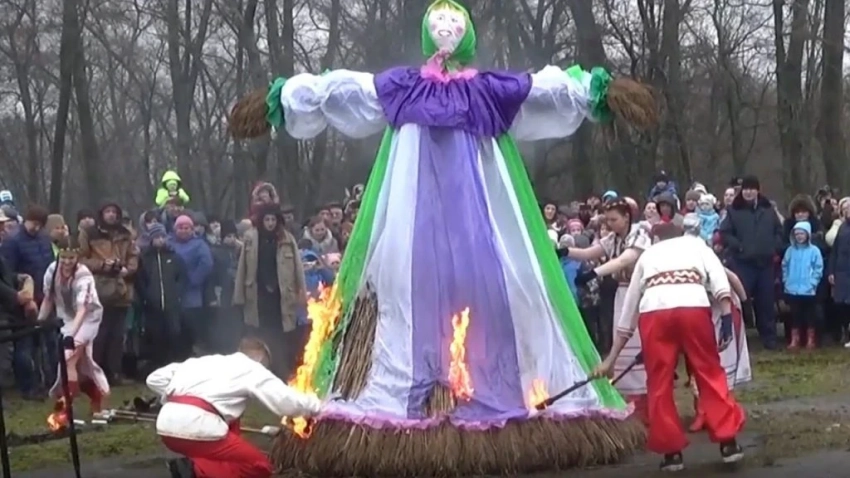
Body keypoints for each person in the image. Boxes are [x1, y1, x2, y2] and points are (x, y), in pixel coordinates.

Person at [593, 222, 746, 471]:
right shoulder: (696, 245)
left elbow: (629, 307)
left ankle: (671, 452)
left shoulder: (647, 256)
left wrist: (611, 359)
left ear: (655, 240)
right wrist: (727, 315)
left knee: (659, 381)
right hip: (692, 306)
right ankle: (728, 441)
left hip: (654, 313)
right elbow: (718, 277)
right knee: (708, 372)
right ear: (681, 234)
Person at [146, 337, 322, 478]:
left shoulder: (205, 361)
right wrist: (317, 406)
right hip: (198, 427)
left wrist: (175, 395)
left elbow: (154, 379)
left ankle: (195, 467)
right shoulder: (250, 368)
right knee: (259, 466)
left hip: (166, 426)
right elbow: (285, 402)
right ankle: (193, 470)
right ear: (260, 359)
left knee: (225, 453)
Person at [565, 198, 651, 419]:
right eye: (608, 220)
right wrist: (565, 251)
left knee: (638, 341)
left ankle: (646, 398)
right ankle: (631, 396)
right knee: (622, 342)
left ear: (626, 217)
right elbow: (589, 253)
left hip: (641, 292)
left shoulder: (639, 235)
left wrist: (594, 273)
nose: (610, 224)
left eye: (614, 219)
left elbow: (624, 260)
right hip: (622, 293)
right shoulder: (613, 238)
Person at [38, 238, 109, 426]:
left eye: (71, 258)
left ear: (77, 257)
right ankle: (96, 396)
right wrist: (38, 322)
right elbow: (48, 298)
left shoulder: (84, 275)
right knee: (79, 364)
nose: (67, 262)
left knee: (69, 357)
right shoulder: (52, 270)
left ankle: (65, 409)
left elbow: (82, 309)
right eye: (64, 257)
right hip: (66, 318)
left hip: (87, 318)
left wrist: (71, 336)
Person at [719, 175, 783, 350]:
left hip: (765, 263)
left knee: (766, 302)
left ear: (757, 190)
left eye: (752, 189)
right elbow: (725, 233)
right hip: (743, 263)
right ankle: (737, 337)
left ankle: (769, 338)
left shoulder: (767, 209)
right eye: (746, 189)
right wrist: (738, 246)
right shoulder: (734, 210)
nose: (748, 192)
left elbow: (779, 230)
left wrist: (773, 247)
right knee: (741, 301)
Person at [78, 201, 139, 385]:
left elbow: (133, 255)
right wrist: (102, 265)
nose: (111, 215)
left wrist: (128, 269)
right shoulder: (89, 234)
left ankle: (115, 373)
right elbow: (81, 258)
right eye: (108, 211)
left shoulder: (125, 234)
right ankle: (94, 373)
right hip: (99, 289)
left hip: (121, 289)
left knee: (117, 335)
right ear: (101, 214)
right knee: (99, 334)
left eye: (114, 212)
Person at [137, 224, 184, 369]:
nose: (161, 240)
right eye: (157, 237)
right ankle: (157, 365)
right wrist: (147, 297)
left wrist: (177, 293)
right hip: (153, 306)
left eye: (163, 237)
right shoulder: (145, 258)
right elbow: (140, 281)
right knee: (156, 335)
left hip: (172, 304)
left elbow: (181, 277)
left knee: (174, 333)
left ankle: (173, 364)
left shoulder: (173, 256)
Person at [782, 221, 824, 350]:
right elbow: (784, 266)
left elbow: (818, 268)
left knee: (810, 315)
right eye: (797, 234)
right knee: (795, 315)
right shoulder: (790, 250)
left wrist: (813, 283)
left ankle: (810, 339)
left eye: (802, 233)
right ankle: (795, 339)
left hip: (808, 290)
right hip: (792, 289)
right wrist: (786, 280)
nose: (799, 236)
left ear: (808, 234)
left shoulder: (814, 251)